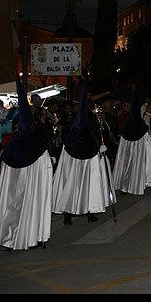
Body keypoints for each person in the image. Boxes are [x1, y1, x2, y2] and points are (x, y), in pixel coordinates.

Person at [0, 75, 53, 251]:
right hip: (29, 187)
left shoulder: (12, 145)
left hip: (13, 189)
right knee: (28, 208)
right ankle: (29, 235)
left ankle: (9, 237)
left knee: (12, 208)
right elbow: (45, 168)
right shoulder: (37, 145)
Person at [52, 83, 116, 225]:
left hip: (79, 165)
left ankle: (80, 214)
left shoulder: (74, 136)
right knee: (85, 186)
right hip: (80, 165)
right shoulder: (77, 134)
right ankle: (80, 214)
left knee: (75, 186)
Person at [112, 87, 151, 195]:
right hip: (131, 152)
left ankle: (126, 185)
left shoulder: (133, 126)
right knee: (130, 166)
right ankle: (129, 185)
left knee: (128, 166)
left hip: (134, 151)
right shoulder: (125, 121)